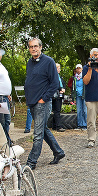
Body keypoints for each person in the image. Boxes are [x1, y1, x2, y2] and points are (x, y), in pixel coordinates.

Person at [24, 38, 65, 169]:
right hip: (32, 102)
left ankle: (31, 162)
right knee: (42, 129)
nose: (33, 49)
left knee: (37, 134)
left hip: (42, 103)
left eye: (36, 46)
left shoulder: (48, 61)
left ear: (41, 47)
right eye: (31, 47)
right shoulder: (30, 63)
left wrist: (44, 99)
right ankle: (58, 152)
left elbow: (54, 83)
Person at [68, 64, 87, 129]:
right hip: (77, 96)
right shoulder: (74, 78)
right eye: (77, 68)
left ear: (82, 69)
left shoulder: (84, 77)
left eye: (79, 68)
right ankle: (79, 125)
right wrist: (73, 97)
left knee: (85, 110)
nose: (78, 69)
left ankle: (85, 125)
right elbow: (73, 88)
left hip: (84, 96)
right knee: (79, 110)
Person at [51, 63, 66, 132]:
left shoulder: (59, 76)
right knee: (57, 111)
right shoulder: (53, 76)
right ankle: (58, 126)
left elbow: (63, 83)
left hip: (60, 95)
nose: (59, 69)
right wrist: (60, 89)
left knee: (56, 110)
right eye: (58, 68)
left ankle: (54, 125)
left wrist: (63, 89)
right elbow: (54, 84)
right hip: (55, 95)